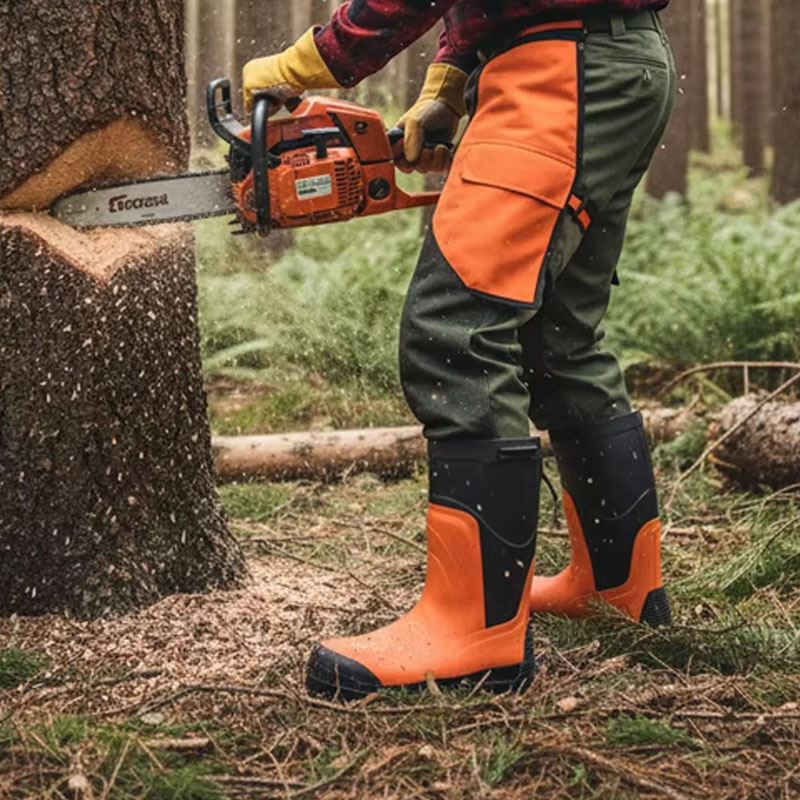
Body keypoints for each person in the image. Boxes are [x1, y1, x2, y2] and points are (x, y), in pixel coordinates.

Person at [243, 0, 676, 702]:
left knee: (455, 329)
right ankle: (619, 585)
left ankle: (474, 634)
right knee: (559, 342)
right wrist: (449, 79)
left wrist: (315, 60)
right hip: (607, 61)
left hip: (561, 73)